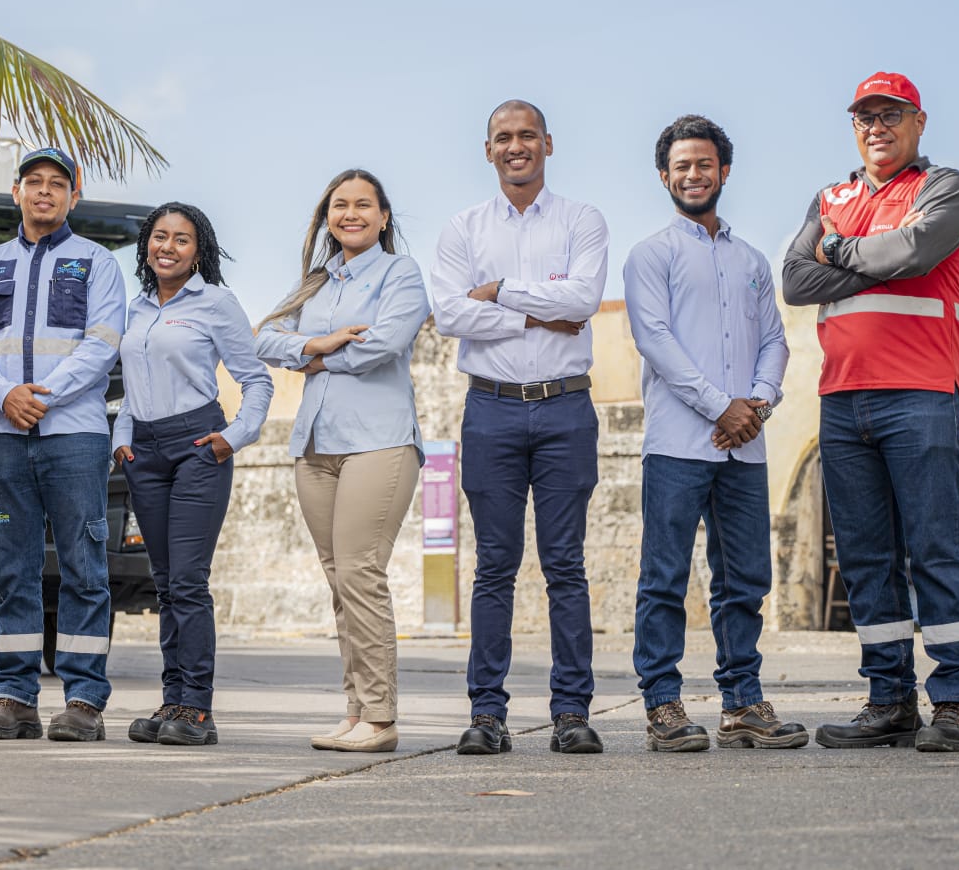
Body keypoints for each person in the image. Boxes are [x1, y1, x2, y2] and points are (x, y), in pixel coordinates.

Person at [782, 72, 959, 752]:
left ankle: (957, 703)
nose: (878, 126)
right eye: (866, 116)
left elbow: (916, 250)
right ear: (853, 127)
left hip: (923, 393)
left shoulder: (943, 188)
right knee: (868, 558)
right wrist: (879, 261)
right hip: (843, 401)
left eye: (891, 114)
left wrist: (838, 251)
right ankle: (889, 699)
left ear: (918, 122)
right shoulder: (829, 195)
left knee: (936, 546)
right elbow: (794, 279)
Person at [431, 100, 609, 756]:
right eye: (503, 137)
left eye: (527, 135)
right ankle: (487, 713)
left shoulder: (582, 220)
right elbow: (450, 315)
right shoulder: (462, 228)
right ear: (488, 150)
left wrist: (500, 290)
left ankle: (571, 713)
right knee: (495, 568)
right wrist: (540, 311)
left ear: (548, 144)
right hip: (492, 409)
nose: (516, 146)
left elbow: (584, 302)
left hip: (565, 408)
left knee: (565, 565)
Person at [623, 115, 807, 752]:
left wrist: (756, 404)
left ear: (724, 171)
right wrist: (718, 407)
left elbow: (776, 341)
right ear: (663, 177)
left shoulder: (752, 260)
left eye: (704, 164)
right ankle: (663, 704)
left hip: (745, 447)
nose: (692, 175)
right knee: (664, 576)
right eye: (681, 166)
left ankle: (743, 703)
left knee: (745, 579)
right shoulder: (651, 255)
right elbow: (656, 341)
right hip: (677, 443)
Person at [256, 170, 430, 754]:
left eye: (363, 205)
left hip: (378, 442)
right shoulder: (316, 283)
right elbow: (264, 338)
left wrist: (316, 360)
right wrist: (316, 344)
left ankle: (380, 717)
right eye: (339, 205)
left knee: (360, 573)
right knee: (340, 582)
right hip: (315, 447)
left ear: (384, 217)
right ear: (326, 217)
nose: (350, 213)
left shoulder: (400, 273)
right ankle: (357, 710)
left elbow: (385, 343)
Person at [0, 147, 127, 743]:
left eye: (58, 184)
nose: (45, 192)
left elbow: (103, 343)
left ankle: (83, 701)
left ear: (73, 197)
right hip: (6, 435)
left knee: (85, 565)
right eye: (35, 182)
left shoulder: (98, 263)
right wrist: (5, 396)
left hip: (75, 435)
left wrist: (43, 396)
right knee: (13, 569)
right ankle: (14, 698)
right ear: (16, 192)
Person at [112, 203, 273, 747]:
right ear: (146, 245)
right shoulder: (133, 309)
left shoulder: (216, 303)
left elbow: (257, 381)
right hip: (145, 453)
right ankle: (171, 700)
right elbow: (133, 387)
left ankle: (197, 709)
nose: (168, 247)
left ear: (198, 250)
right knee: (164, 584)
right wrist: (122, 440)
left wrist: (233, 437)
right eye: (160, 237)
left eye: (182, 240)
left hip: (198, 446)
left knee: (187, 581)